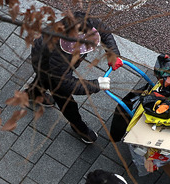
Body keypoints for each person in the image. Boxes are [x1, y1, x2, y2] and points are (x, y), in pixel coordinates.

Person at [26, 11, 123, 144]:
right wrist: (96, 85)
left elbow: (103, 31)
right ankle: (79, 128)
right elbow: (65, 83)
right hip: (46, 65)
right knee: (65, 101)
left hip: (46, 58)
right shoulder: (59, 54)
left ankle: (33, 93)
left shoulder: (83, 22)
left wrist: (113, 53)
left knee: (42, 81)